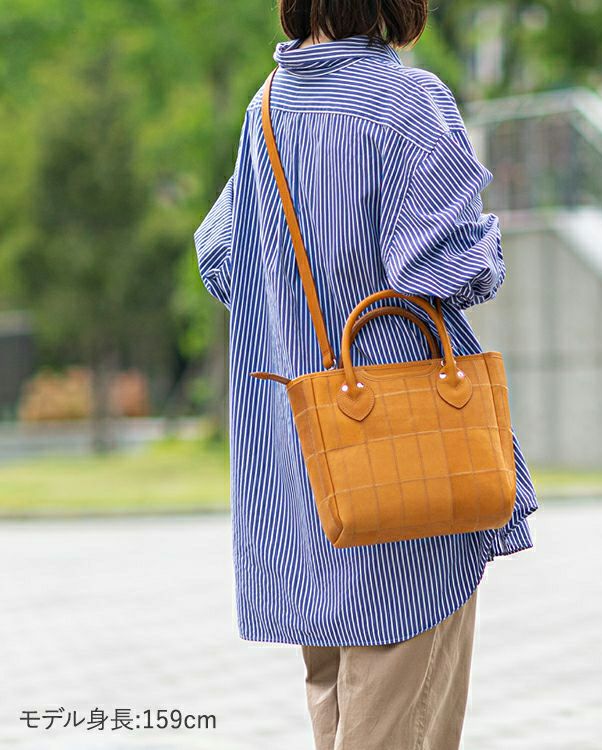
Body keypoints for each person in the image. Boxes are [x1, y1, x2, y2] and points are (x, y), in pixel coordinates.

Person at [194, 2, 539, 748]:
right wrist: (489, 245)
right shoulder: (406, 99)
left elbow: (220, 258)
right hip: (405, 459)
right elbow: (442, 266)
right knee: (400, 715)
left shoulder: (267, 108)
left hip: (303, 468)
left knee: (338, 703)